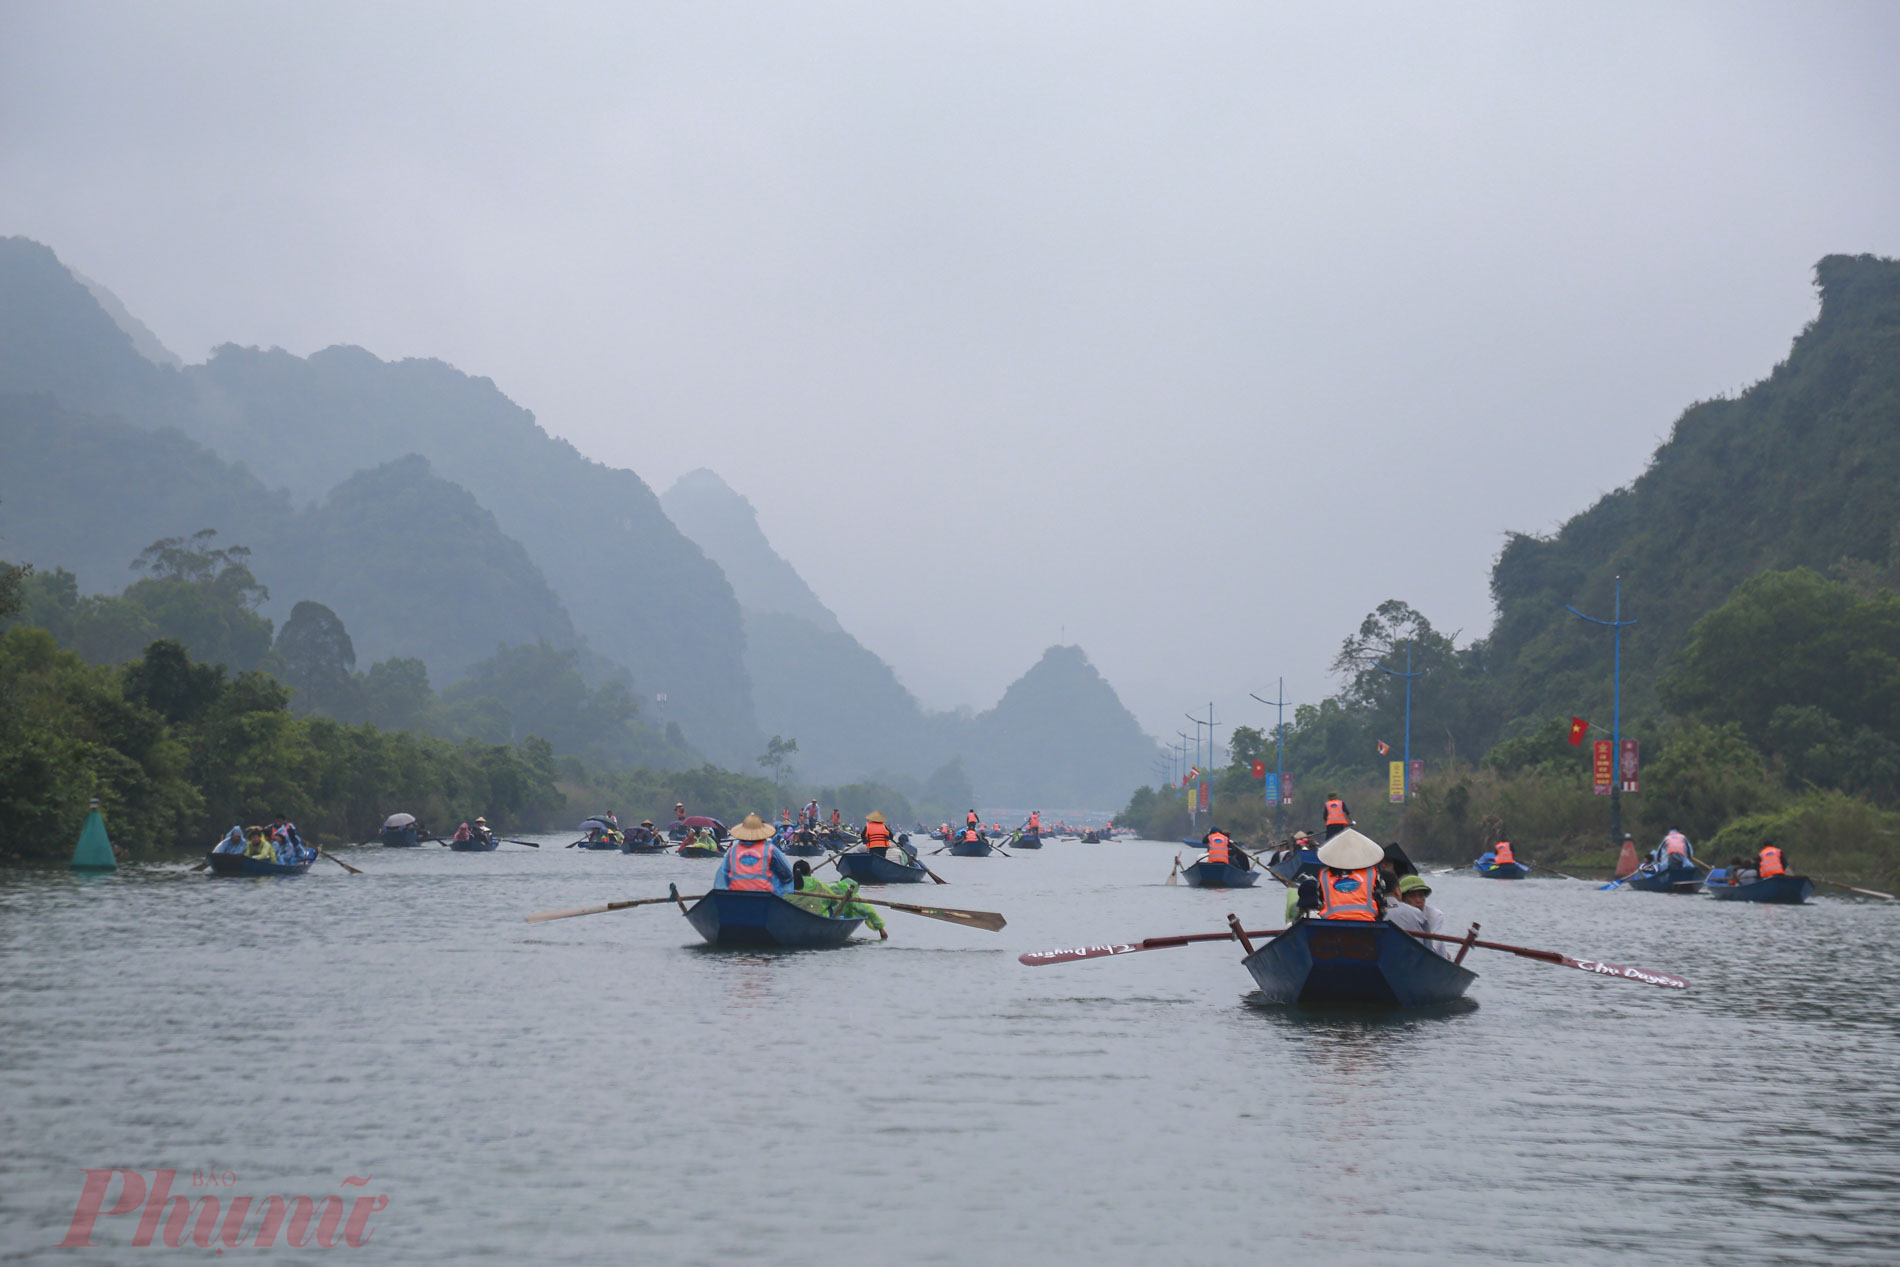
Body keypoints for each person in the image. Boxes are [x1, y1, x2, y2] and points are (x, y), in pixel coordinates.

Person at [1298, 829, 1386, 921]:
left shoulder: (1324, 875)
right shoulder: (1372, 872)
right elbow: (1381, 903)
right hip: (1367, 924)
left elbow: (1320, 903)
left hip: (1332, 925)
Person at [789, 860, 888, 939]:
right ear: (809, 873)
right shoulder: (851, 895)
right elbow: (867, 910)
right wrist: (881, 928)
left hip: (792, 916)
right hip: (818, 916)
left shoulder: (786, 883)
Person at [712, 814, 793, 893]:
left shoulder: (733, 851)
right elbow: (787, 876)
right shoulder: (770, 850)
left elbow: (723, 878)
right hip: (765, 898)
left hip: (736, 897)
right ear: (762, 832)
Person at [1385, 875, 1453, 957]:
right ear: (1402, 897)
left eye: (1421, 896)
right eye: (1412, 896)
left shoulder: (1435, 915)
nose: (1418, 900)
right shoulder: (1393, 911)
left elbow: (1433, 947)